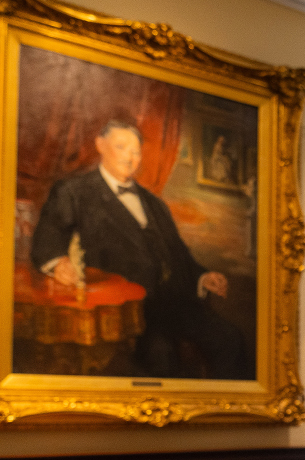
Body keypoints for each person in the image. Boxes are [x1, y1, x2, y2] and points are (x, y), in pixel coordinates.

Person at [30, 119, 250, 379]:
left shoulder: (154, 203)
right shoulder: (74, 192)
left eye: (136, 151)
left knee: (231, 340)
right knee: (162, 360)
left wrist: (202, 276)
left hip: (176, 304)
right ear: (100, 145)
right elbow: (47, 240)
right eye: (121, 147)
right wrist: (58, 262)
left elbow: (178, 253)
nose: (129, 157)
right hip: (128, 313)